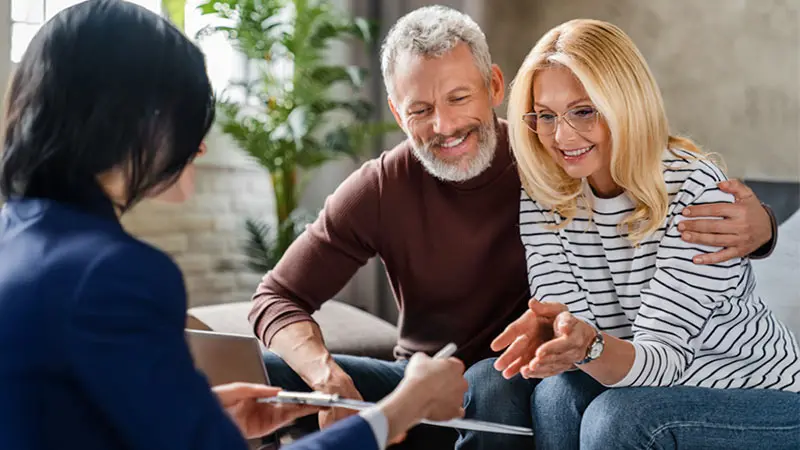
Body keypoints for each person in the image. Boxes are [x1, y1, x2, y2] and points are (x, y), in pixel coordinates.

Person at [247, 5, 781, 449]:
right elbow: (276, 297)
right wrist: (326, 378)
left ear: (494, 86)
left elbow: (653, 183)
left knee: (506, 382)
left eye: (459, 97)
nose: (444, 126)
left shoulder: (551, 165)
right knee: (263, 376)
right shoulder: (396, 185)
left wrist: (764, 228)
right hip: (427, 384)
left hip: (517, 384)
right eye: (420, 109)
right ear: (395, 111)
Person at [0, 1, 468, 449]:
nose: (199, 147)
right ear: (138, 123)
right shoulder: (116, 274)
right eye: (191, 122)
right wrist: (399, 412)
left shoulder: (15, 239)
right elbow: (277, 296)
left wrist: (207, 419)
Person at [482, 18, 800, 450]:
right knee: (557, 396)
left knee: (619, 419)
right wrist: (565, 340)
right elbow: (575, 329)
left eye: (583, 111)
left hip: (759, 397)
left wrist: (588, 346)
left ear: (625, 103)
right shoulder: (547, 190)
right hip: (650, 384)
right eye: (546, 116)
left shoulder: (695, 191)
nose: (561, 136)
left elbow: (663, 358)